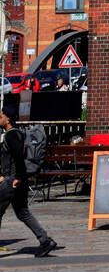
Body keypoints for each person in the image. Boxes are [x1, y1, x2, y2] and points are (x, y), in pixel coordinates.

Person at [0, 109, 60, 257]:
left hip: (12, 180)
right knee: (23, 213)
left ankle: (45, 240)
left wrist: (16, 177)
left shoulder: (12, 134)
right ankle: (45, 240)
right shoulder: (19, 133)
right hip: (19, 179)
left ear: (7, 119)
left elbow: (18, 157)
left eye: (0, 116)